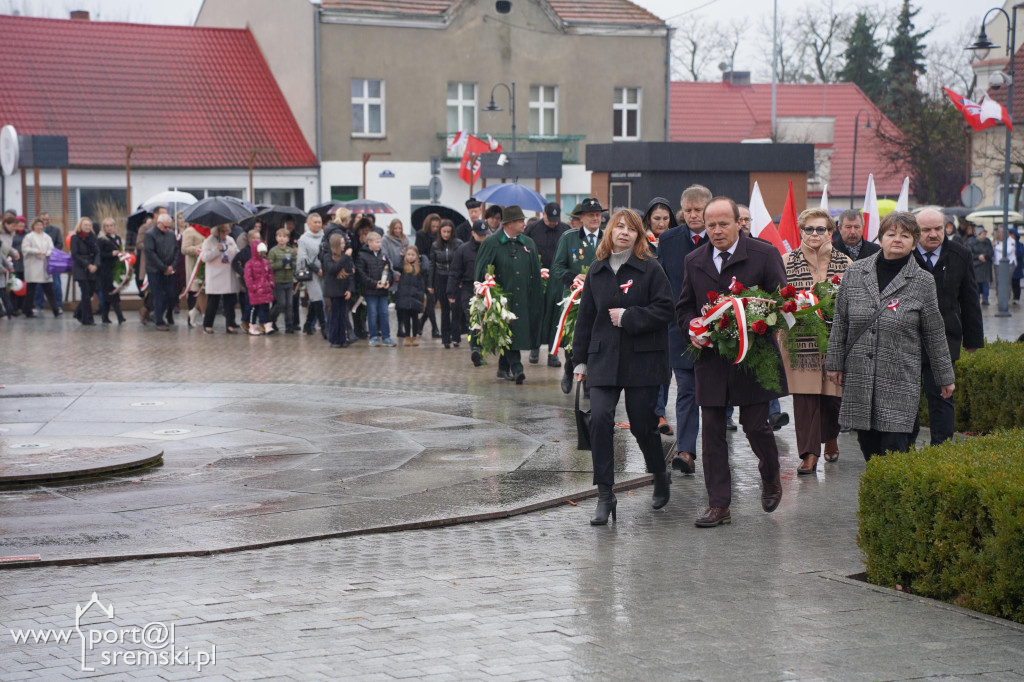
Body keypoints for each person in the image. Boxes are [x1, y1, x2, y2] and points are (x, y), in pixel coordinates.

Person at [676, 196, 789, 528]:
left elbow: (783, 300)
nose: (716, 230)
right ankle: (719, 505)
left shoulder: (763, 254)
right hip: (711, 360)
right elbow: (683, 308)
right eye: (710, 225)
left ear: (739, 222)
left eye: (723, 223)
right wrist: (691, 331)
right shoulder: (694, 260)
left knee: (756, 427)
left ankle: (770, 473)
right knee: (711, 433)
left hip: (754, 358)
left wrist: (757, 321)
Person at [824, 211, 955, 461]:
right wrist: (834, 363)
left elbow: (934, 333)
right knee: (868, 445)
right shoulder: (856, 273)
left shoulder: (922, 281)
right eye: (891, 234)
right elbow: (841, 320)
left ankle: (895, 497)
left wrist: (944, 377)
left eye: (905, 235)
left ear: (914, 243)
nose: (897, 239)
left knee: (895, 447)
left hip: (899, 377)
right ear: (880, 237)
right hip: (860, 375)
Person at [571, 209, 674, 525]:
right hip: (604, 358)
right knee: (600, 420)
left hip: (642, 358)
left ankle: (659, 473)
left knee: (643, 425)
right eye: (619, 227)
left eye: (631, 228)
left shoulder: (650, 268)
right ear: (609, 232)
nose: (625, 232)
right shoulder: (597, 269)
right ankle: (605, 495)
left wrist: (631, 317)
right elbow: (586, 317)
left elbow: (666, 308)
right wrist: (580, 360)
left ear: (639, 234)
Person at [779, 209, 851, 473]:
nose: (814, 234)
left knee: (832, 398)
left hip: (835, 340)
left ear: (830, 232)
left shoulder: (845, 263)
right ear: (801, 231)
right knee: (805, 399)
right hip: (799, 340)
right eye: (809, 229)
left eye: (820, 229)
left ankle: (831, 435)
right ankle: (809, 453)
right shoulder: (786, 261)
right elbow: (777, 298)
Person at [909, 208, 984, 446]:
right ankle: (901, 452)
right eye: (926, 230)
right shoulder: (903, 254)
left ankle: (940, 451)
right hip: (907, 338)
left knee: (942, 396)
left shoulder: (960, 254)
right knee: (907, 398)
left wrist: (973, 342)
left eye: (938, 229)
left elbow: (970, 300)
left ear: (946, 228)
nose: (933, 234)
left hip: (944, 339)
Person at [657, 185, 709, 473]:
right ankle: (686, 451)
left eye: (698, 209)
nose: (692, 215)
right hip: (680, 330)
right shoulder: (669, 240)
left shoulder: (720, 237)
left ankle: (714, 448)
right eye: (687, 210)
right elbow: (662, 283)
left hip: (718, 329)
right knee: (686, 390)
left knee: (712, 394)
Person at [474, 205, 543, 384]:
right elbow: (481, 270)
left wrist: (536, 297)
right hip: (502, 300)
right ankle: (517, 367)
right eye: (520, 221)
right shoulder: (491, 243)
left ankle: (503, 368)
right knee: (507, 332)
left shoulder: (528, 243)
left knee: (516, 334)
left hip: (523, 298)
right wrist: (487, 278)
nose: (524, 224)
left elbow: (535, 272)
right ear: (509, 224)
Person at [551, 197, 606, 393]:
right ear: (581, 217)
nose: (595, 218)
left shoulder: (607, 238)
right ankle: (568, 370)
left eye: (598, 215)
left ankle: (588, 380)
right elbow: (557, 267)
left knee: (595, 337)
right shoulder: (569, 237)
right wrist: (574, 277)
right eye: (591, 215)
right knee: (573, 338)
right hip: (574, 297)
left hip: (600, 296)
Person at [643, 196, 678, 437]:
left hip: (673, 311)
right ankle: (656, 412)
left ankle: (659, 410)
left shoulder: (675, 242)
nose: (662, 223)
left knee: (666, 367)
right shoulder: (642, 243)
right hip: (649, 310)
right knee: (653, 364)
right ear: (648, 219)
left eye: (666, 218)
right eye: (657, 218)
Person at [525, 202, 569, 367]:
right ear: (543, 215)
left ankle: (553, 352)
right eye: (550, 219)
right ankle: (534, 349)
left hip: (558, 280)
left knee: (555, 317)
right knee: (537, 314)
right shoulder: (532, 229)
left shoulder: (565, 229)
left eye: (556, 219)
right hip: (537, 278)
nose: (554, 222)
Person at [448, 220, 489, 366]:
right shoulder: (463, 250)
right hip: (468, 288)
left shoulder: (491, 248)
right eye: (480, 235)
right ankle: (475, 349)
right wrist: (451, 293)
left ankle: (482, 347)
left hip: (487, 289)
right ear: (473, 233)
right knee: (473, 320)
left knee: (486, 321)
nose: (483, 237)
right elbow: (455, 272)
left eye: (485, 234)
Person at [356, 231, 396, 347]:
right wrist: (374, 284)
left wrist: (389, 281)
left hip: (383, 291)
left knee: (384, 313)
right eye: (377, 242)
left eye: (380, 242)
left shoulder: (383, 254)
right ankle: (373, 336)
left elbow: (388, 269)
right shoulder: (362, 255)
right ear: (369, 243)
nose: (380, 244)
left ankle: (386, 336)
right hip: (370, 291)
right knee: (372, 313)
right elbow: (361, 274)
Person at [199, 223, 240, 334]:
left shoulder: (230, 239)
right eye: (223, 231)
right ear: (217, 231)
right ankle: (208, 325)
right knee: (213, 301)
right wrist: (216, 250)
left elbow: (236, 252)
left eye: (227, 231)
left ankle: (230, 325)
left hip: (228, 273)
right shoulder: (209, 241)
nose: (226, 234)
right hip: (215, 274)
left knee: (230, 301)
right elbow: (204, 257)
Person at [429, 219, 463, 348]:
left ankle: (456, 337)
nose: (446, 234)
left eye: (449, 232)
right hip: (440, 277)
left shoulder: (459, 244)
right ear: (440, 232)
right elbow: (432, 264)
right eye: (444, 231)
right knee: (444, 308)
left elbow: (462, 263)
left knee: (455, 308)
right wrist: (430, 284)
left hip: (454, 278)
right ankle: (445, 338)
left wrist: (461, 280)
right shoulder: (435, 245)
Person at [144, 213, 179, 330]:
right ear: (158, 224)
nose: (167, 229)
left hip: (169, 269)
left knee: (172, 295)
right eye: (165, 227)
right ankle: (159, 321)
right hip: (155, 270)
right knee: (158, 295)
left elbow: (176, 251)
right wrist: (164, 268)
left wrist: (172, 266)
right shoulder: (150, 235)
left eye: (169, 227)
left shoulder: (171, 235)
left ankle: (158, 313)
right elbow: (151, 254)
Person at [20, 217, 61, 318]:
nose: (39, 227)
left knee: (49, 289)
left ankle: (55, 310)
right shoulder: (29, 237)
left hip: (44, 265)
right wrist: (35, 251)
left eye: (41, 225)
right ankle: (27, 310)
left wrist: (48, 253)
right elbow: (25, 248)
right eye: (37, 225)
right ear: (33, 226)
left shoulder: (47, 237)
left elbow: (52, 248)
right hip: (33, 265)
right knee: (31, 289)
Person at [322, 232, 355, 348]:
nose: (343, 245)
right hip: (334, 290)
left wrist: (350, 289)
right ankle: (334, 339)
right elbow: (333, 269)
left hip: (344, 289)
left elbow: (351, 274)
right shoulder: (327, 257)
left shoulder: (347, 257)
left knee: (343, 315)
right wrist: (345, 256)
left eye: (344, 243)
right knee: (335, 315)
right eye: (341, 243)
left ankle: (342, 338)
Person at [298, 212, 327, 337]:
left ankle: (308, 323)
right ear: (309, 224)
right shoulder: (304, 239)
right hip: (311, 273)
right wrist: (317, 270)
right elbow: (303, 257)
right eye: (315, 222)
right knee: (318, 297)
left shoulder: (325, 237)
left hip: (325, 272)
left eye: (319, 222)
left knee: (316, 299)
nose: (318, 224)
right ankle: (324, 326)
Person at [69, 217, 100, 326]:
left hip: (92, 266)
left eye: (89, 225)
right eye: (85, 225)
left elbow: (97, 253)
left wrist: (95, 265)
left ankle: (78, 312)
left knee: (91, 292)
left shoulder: (93, 238)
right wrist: (87, 265)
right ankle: (87, 319)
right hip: (81, 267)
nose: (87, 227)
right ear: (80, 226)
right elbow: (75, 255)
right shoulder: (75, 238)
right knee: (86, 293)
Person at [415, 214, 442, 339]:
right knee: (431, 300)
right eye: (433, 226)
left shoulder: (440, 236)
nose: (435, 228)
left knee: (433, 301)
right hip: (426, 272)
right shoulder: (421, 235)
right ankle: (435, 329)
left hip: (438, 271)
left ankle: (421, 323)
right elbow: (419, 251)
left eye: (437, 226)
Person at [395, 245, 428, 345]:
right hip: (404, 296)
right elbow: (395, 264)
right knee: (406, 318)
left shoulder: (420, 267)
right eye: (408, 254)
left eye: (413, 255)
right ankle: (407, 337)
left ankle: (414, 336)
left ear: (417, 256)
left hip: (416, 296)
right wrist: (401, 256)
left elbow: (427, 268)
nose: (410, 257)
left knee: (415, 318)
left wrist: (424, 257)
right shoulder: (403, 266)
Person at [267, 227, 298, 333]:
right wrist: (282, 263)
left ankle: (289, 326)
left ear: (288, 239)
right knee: (281, 304)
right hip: (278, 281)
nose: (282, 239)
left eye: (284, 237)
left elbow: (295, 263)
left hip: (289, 280)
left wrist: (291, 263)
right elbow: (270, 266)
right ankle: (270, 320)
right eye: (280, 236)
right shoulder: (273, 251)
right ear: (276, 238)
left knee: (289, 305)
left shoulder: (291, 250)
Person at [95, 218, 126, 324]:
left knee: (111, 294)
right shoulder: (102, 240)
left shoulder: (118, 238)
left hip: (116, 269)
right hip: (106, 270)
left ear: (114, 226)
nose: (109, 228)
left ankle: (105, 317)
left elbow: (120, 250)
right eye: (107, 226)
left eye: (111, 225)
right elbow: (99, 254)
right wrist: (110, 254)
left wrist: (122, 254)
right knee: (112, 293)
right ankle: (120, 316)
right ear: (104, 228)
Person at [180, 221, 209, 328]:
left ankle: (194, 312)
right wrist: (200, 247)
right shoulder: (190, 231)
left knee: (205, 291)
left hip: (207, 264)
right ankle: (204, 316)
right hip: (195, 266)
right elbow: (184, 249)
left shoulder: (209, 231)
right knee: (199, 291)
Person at [35, 212, 64, 312]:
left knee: (56, 284)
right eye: (43, 219)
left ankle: (58, 305)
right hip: (39, 261)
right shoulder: (34, 232)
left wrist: (50, 252)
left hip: (52, 260)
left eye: (47, 219)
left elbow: (60, 244)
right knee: (39, 285)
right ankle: (39, 305)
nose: (45, 221)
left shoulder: (55, 230)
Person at [244, 242, 275, 335]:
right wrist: (254, 287)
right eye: (260, 252)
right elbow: (248, 277)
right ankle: (252, 326)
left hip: (265, 290)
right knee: (255, 309)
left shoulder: (265, 262)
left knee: (266, 308)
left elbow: (270, 273)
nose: (262, 254)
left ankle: (267, 326)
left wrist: (271, 283)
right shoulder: (250, 264)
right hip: (256, 291)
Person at [967, 227, 994, 306]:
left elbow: (991, 252)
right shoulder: (971, 242)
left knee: (986, 284)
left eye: (985, 234)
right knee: (977, 284)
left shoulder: (988, 241)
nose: (984, 236)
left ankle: (985, 299)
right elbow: (969, 253)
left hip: (986, 266)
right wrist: (978, 256)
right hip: (976, 266)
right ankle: (976, 299)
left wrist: (985, 256)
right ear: (978, 234)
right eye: (983, 234)